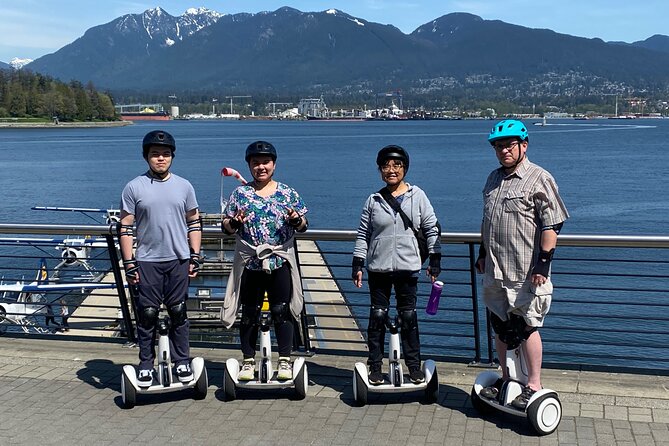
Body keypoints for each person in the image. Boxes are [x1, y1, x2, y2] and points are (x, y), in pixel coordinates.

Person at [475, 119, 569, 410]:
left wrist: (543, 264)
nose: (504, 150)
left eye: (509, 144)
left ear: (523, 146)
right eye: (499, 146)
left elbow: (553, 224)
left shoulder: (540, 178)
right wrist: (482, 252)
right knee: (500, 325)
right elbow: (488, 221)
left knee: (528, 326)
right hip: (495, 269)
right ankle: (506, 378)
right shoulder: (493, 179)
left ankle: (534, 384)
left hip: (525, 271)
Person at [119, 130, 203, 388]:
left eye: (165, 154)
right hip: (147, 260)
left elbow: (194, 222)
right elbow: (125, 226)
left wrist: (195, 255)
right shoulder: (134, 187)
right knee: (147, 314)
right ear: (146, 157)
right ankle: (146, 364)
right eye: (155, 154)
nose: (160, 159)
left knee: (178, 312)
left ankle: (181, 360)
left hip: (178, 258)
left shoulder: (184, 186)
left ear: (172, 157)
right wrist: (129, 261)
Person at [352, 145, 441, 385]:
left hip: (408, 268)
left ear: (405, 168)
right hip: (378, 268)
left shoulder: (418, 196)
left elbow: (431, 228)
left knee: (408, 316)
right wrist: (358, 262)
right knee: (377, 316)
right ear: (380, 170)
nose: (391, 170)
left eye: (397, 165)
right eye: (386, 166)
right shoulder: (373, 200)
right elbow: (363, 234)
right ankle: (374, 367)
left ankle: (413, 365)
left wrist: (435, 258)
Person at [221, 141, 308, 381]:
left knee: (282, 310)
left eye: (265, 162)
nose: (261, 167)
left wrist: (294, 221)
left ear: (274, 164)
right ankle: (248, 360)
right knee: (249, 311)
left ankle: (285, 360)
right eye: (255, 163)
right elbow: (226, 226)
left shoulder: (288, 193)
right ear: (249, 165)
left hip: (279, 261)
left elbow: (303, 226)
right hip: (251, 262)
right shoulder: (240, 194)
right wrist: (235, 224)